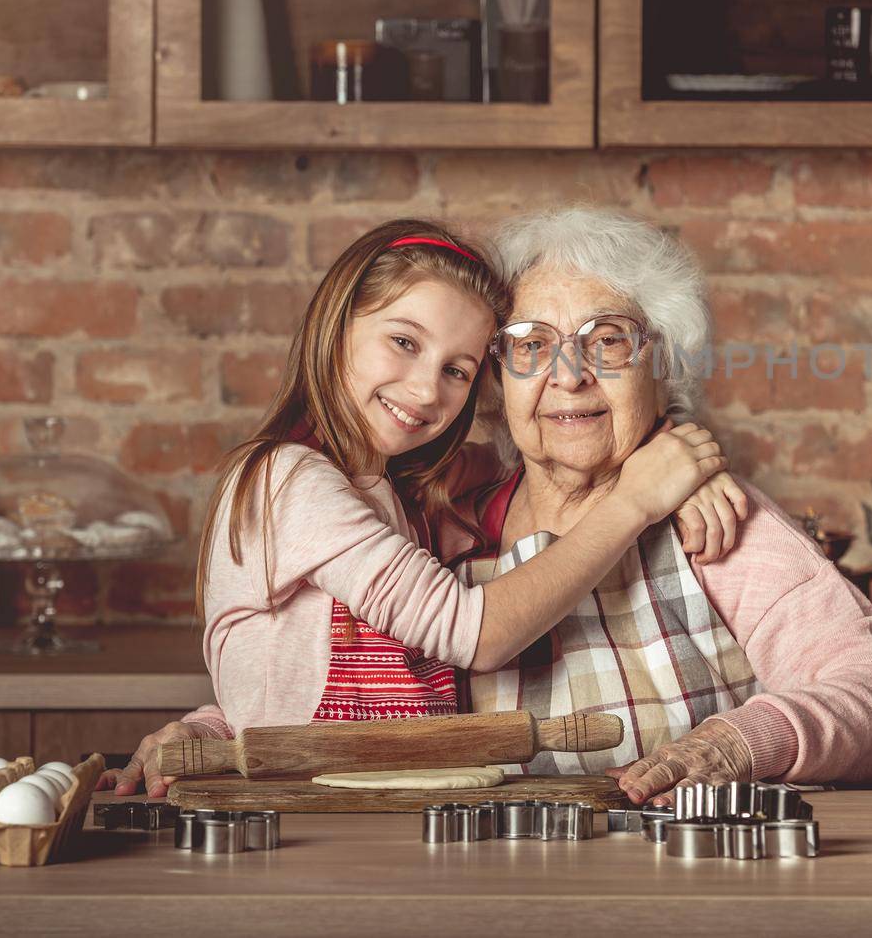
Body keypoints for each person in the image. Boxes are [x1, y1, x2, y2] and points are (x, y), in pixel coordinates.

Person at [100, 218, 742, 797]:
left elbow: (570, 444)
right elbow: (474, 633)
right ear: (336, 323)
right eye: (404, 342)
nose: (425, 388)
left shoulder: (411, 488)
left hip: (387, 810)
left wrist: (669, 447)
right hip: (295, 811)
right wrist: (637, 498)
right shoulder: (287, 480)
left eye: (458, 370)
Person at [458, 207, 872, 804]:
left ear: (663, 363)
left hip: (695, 875)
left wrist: (737, 743)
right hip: (499, 878)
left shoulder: (715, 521)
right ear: (496, 375)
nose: (569, 377)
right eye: (531, 344)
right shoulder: (453, 523)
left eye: (608, 341)